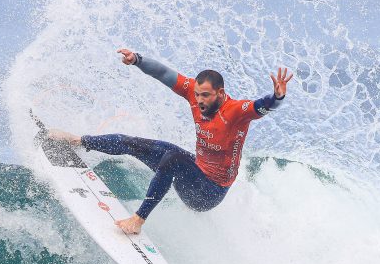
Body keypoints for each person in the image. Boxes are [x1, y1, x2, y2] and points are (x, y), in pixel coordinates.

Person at [49, 48, 293, 234]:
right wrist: (137, 60)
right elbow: (164, 73)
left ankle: (137, 220)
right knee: (134, 142)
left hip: (209, 193)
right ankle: (78, 141)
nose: (199, 101)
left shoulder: (236, 112)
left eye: (205, 96)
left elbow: (264, 106)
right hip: (196, 170)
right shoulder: (194, 94)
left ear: (220, 93)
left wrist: (278, 96)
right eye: (197, 94)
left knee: (173, 158)